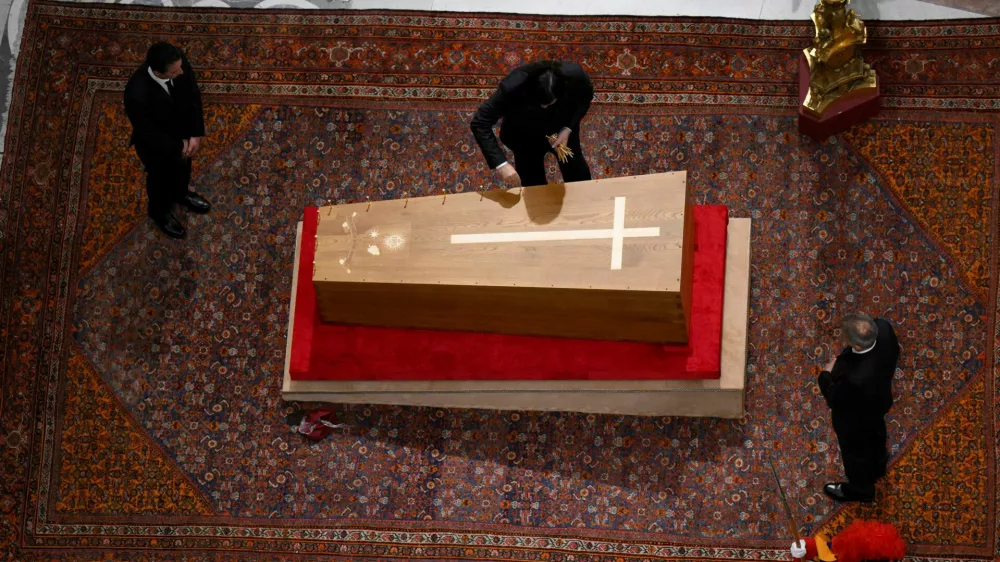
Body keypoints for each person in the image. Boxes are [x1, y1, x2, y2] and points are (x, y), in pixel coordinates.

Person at [124, 41, 210, 239]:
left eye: (180, 67)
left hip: (182, 132)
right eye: (175, 71)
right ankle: (159, 213)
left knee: (184, 167)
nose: (181, 72)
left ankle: (181, 194)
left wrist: (194, 134)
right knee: (159, 180)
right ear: (159, 72)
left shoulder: (178, 62)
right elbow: (148, 133)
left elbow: (193, 95)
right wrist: (180, 145)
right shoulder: (136, 94)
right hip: (156, 146)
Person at [470, 60, 593, 188]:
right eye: (542, 104)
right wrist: (501, 165)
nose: (546, 106)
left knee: (579, 177)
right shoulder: (511, 88)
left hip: (561, 128)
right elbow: (479, 123)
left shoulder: (575, 75)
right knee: (534, 186)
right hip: (525, 137)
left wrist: (568, 128)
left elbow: (585, 98)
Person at [818, 313, 900, 502]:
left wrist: (826, 374)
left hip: (856, 420)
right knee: (877, 433)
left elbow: (834, 397)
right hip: (880, 402)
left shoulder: (852, 377)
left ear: (855, 345)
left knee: (855, 454)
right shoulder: (885, 329)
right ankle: (879, 465)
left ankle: (862, 489)